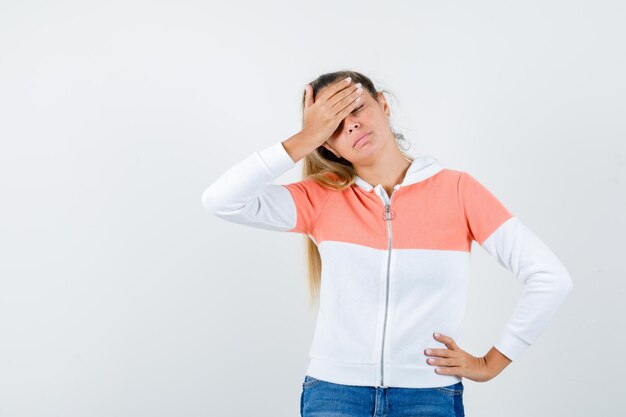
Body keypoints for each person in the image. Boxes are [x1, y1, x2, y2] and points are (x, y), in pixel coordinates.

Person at [201, 70, 573, 417]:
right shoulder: (322, 197)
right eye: (333, 125)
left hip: (429, 396)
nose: (353, 124)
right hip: (335, 395)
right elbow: (221, 200)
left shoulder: (457, 191)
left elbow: (549, 277)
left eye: (356, 107)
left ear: (383, 104)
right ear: (327, 146)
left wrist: (492, 363)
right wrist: (305, 138)